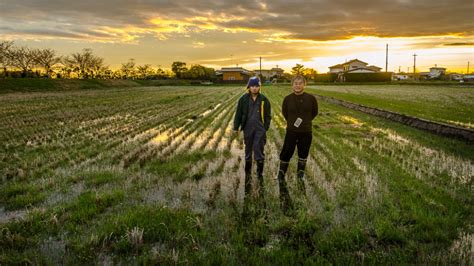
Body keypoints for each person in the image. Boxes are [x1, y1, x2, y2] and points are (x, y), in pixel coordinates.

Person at [277, 74, 318, 213]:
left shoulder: (311, 99)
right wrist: (293, 123)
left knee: (303, 152)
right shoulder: (287, 99)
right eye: (295, 83)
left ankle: (300, 174)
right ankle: (281, 174)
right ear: (292, 85)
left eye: (300, 83)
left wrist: (304, 121)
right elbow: (285, 113)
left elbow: (314, 113)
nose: (298, 85)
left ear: (304, 85)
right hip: (291, 131)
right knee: (286, 152)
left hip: (306, 131)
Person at [233, 76, 271, 209]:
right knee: (248, 149)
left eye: (257, 85)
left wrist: (265, 127)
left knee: (258, 149)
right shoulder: (243, 99)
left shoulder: (264, 100)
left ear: (260, 87)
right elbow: (238, 114)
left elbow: (268, 116)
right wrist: (235, 127)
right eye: (252, 85)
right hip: (247, 127)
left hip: (260, 129)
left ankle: (260, 173)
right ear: (249, 87)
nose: (254, 88)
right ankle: (248, 171)